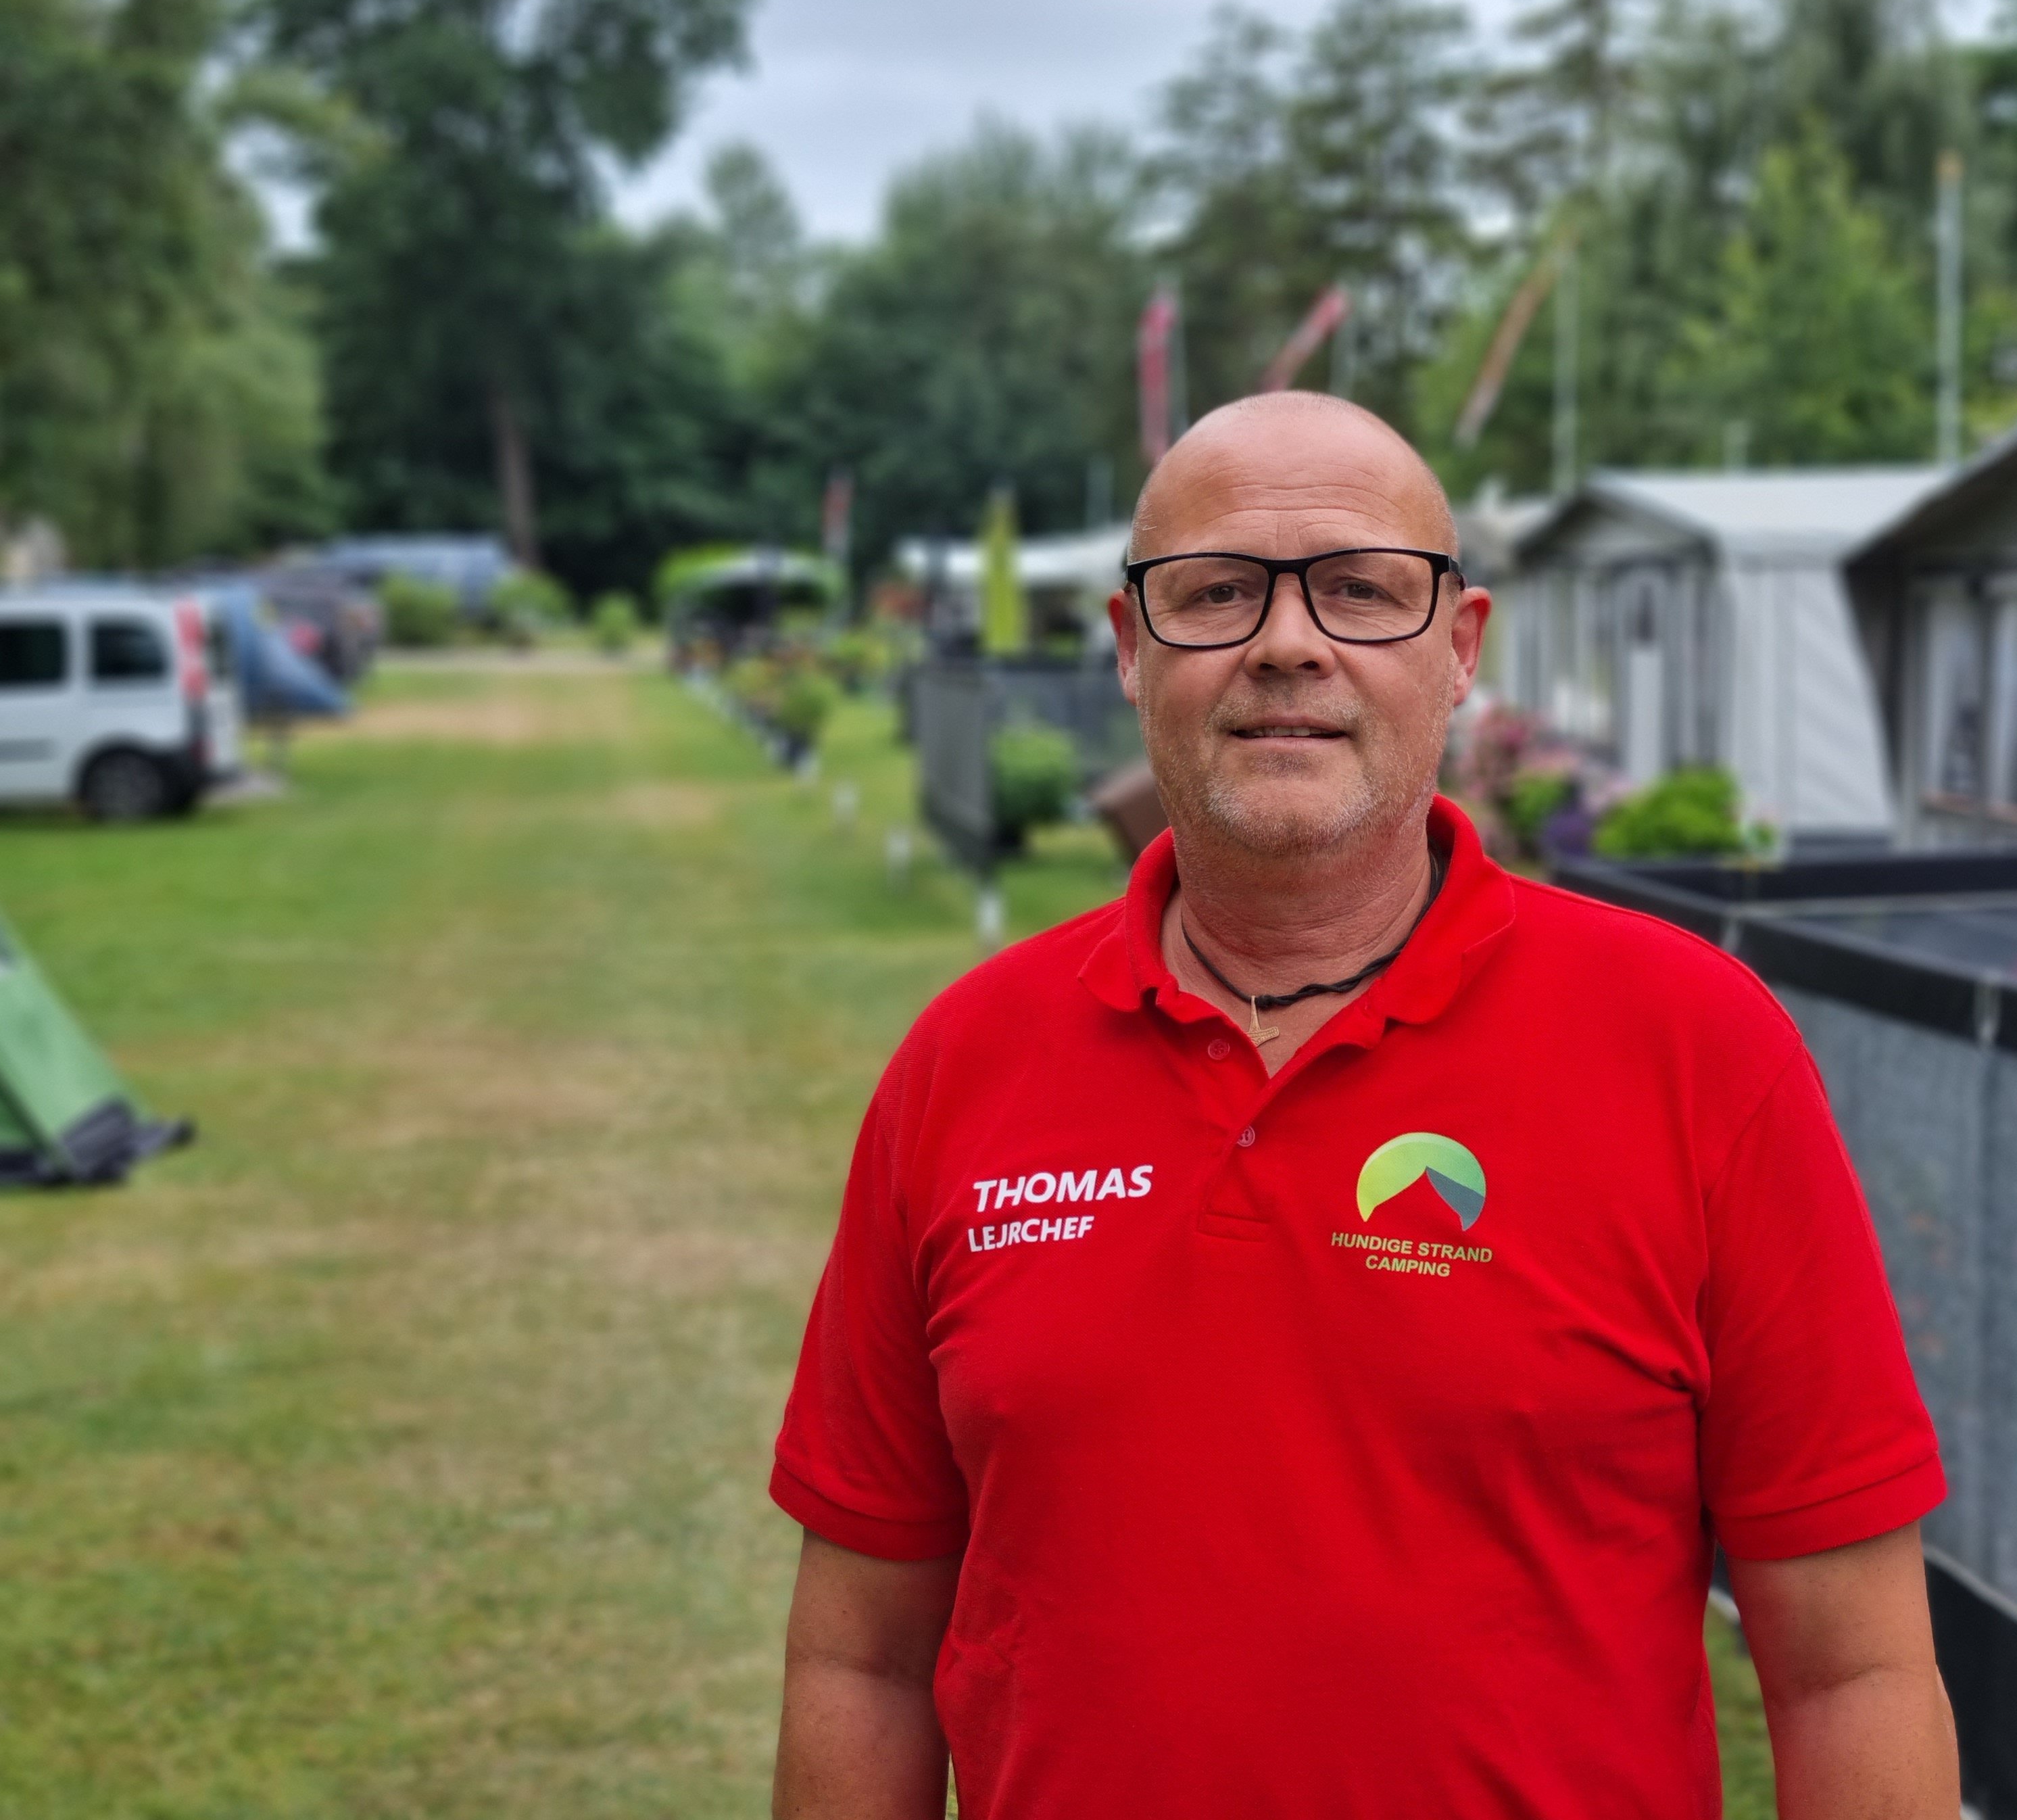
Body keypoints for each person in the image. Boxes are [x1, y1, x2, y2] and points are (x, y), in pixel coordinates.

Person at [769, 393, 1956, 1819]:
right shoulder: (967, 1064)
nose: (1287, 643)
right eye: (1216, 592)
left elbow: (1853, 1675)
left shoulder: (1696, 1048)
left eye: (1362, 590)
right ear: (1131, 648)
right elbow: (862, 1661)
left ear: (1460, 648)